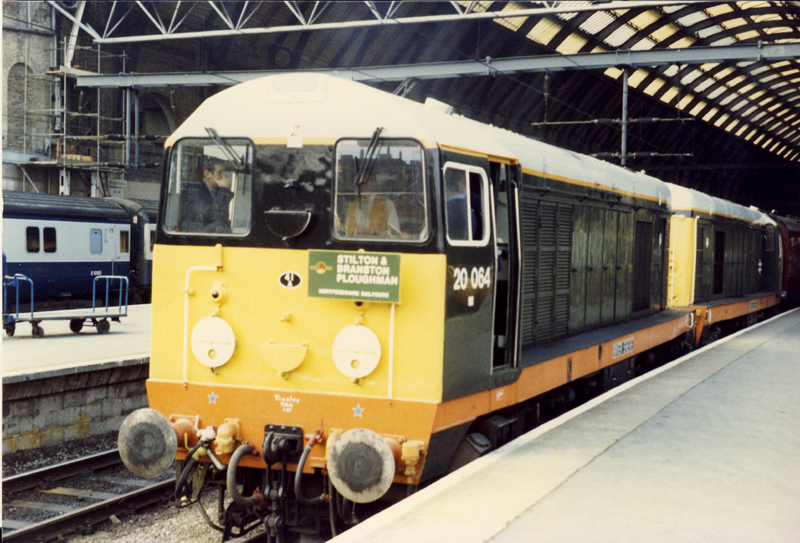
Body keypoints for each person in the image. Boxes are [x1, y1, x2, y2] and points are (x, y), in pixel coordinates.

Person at [178, 157, 233, 233]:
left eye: (224, 172)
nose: (224, 176)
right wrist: (224, 190)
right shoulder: (193, 190)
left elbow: (223, 218)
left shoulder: (218, 192)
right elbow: (210, 215)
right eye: (219, 172)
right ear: (207, 174)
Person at [345, 173, 401, 238]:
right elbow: (346, 232)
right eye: (358, 183)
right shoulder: (352, 205)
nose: (361, 185)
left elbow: (395, 235)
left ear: (373, 182)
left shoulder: (387, 204)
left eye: (364, 182)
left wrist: (372, 232)